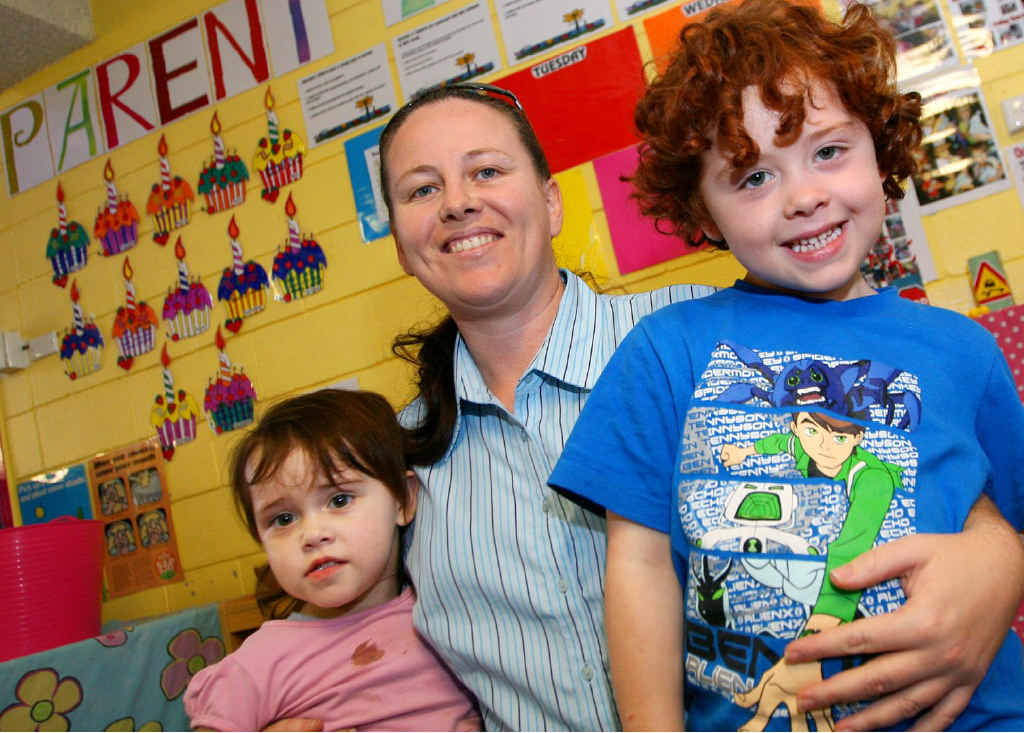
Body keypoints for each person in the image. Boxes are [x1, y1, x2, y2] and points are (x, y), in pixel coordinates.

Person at [373, 82, 1024, 732]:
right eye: (422, 188)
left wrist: (999, 560)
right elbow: (361, 637)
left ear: (551, 203)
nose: (458, 202)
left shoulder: (715, 340)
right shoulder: (384, 461)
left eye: (485, 170)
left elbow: (932, 450)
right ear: (399, 244)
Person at [547, 1, 1024, 729]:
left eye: (828, 151)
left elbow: (1008, 531)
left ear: (878, 146)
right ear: (701, 210)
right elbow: (640, 566)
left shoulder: (965, 350)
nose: (804, 197)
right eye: (752, 179)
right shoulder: (663, 350)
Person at [183, 389, 481, 732]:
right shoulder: (259, 664)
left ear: (403, 499)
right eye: (282, 519)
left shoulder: (448, 616)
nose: (312, 534)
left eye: (339, 500)